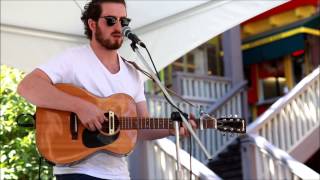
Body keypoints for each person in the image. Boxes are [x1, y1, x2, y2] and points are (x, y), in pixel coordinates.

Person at [17, 0, 196, 179]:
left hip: (119, 174)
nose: (118, 27)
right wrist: (81, 107)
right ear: (92, 24)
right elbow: (28, 86)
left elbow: (141, 126)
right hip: (76, 171)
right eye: (111, 20)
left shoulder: (134, 73)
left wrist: (171, 129)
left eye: (123, 21)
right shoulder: (73, 59)